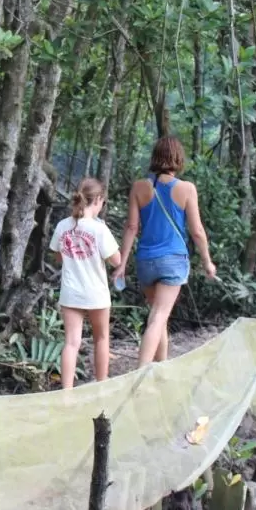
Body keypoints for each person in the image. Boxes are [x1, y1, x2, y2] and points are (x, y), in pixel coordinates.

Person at [112, 136, 216, 369]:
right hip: (173, 260)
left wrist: (122, 264)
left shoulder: (139, 187)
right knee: (159, 316)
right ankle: (140, 373)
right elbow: (197, 231)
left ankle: (161, 370)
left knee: (159, 318)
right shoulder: (187, 189)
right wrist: (207, 262)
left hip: (146, 261)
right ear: (178, 158)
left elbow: (131, 227)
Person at [48, 178, 121, 388]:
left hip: (71, 293)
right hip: (96, 293)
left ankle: (67, 393)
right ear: (97, 200)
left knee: (71, 342)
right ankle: (101, 385)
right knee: (101, 338)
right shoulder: (99, 229)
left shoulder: (63, 226)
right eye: (102, 202)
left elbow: (58, 256)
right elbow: (115, 260)